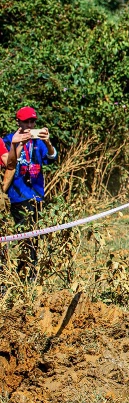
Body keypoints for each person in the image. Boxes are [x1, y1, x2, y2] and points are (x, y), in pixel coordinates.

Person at [3, 106, 56, 278]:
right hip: (18, 195)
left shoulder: (39, 141)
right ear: (18, 121)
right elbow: (9, 164)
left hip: (37, 194)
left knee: (34, 235)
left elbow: (52, 158)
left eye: (33, 121)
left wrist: (47, 141)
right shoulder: (9, 139)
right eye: (26, 121)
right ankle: (23, 272)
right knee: (24, 234)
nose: (30, 125)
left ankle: (29, 272)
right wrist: (17, 144)